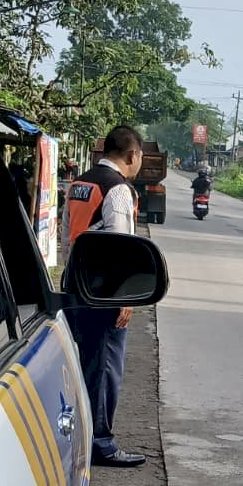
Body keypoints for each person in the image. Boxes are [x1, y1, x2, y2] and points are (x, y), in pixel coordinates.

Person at [62, 125, 146, 468]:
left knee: (83, 362)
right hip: (103, 293)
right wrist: (124, 297)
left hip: (75, 285)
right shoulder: (119, 189)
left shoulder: (79, 183)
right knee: (106, 366)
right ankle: (101, 442)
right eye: (140, 156)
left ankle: (79, 434)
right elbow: (120, 246)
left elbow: (67, 238)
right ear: (132, 155)